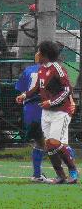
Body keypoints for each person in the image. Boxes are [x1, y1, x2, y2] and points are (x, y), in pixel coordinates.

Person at [16, 41, 78, 184]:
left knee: (55, 143)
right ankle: (61, 176)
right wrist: (25, 95)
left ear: (45, 55)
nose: (36, 54)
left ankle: (73, 171)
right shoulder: (41, 69)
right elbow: (37, 88)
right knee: (49, 145)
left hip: (60, 111)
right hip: (46, 113)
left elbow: (67, 89)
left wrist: (51, 102)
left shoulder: (58, 68)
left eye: (38, 51)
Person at [15, 61, 46, 182]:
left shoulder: (28, 70)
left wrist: (23, 96)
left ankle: (37, 174)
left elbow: (21, 89)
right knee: (52, 142)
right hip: (45, 107)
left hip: (30, 109)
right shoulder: (52, 69)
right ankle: (68, 172)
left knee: (40, 141)